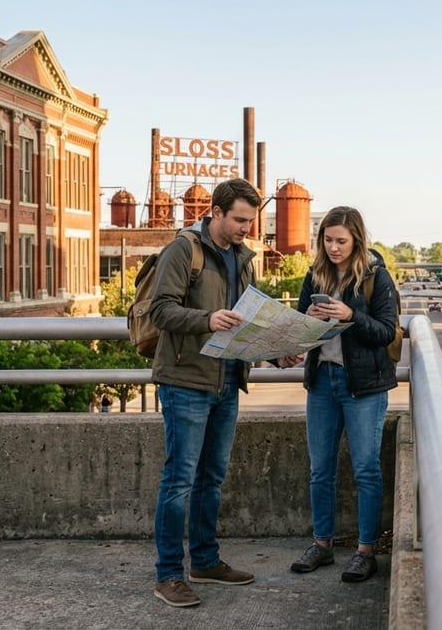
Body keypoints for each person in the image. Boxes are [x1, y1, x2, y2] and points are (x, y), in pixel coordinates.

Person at [147, 178, 302, 608]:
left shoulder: (244, 258)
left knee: (211, 479)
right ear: (215, 212)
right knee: (179, 480)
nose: (245, 229)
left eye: (251, 221)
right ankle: (168, 575)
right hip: (186, 383)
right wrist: (206, 319)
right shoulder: (185, 250)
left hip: (227, 382)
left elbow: (246, 323)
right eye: (238, 220)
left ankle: (205, 561)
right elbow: (161, 310)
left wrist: (276, 355)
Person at [290, 206, 399, 584]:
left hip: (363, 387)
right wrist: (303, 329)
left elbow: (387, 331)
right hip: (322, 382)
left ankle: (365, 551)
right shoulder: (314, 274)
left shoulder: (376, 277)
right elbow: (302, 327)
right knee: (320, 470)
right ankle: (321, 545)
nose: (334, 248)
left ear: (356, 240)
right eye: (328, 240)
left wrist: (350, 315)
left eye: (341, 241)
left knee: (366, 470)